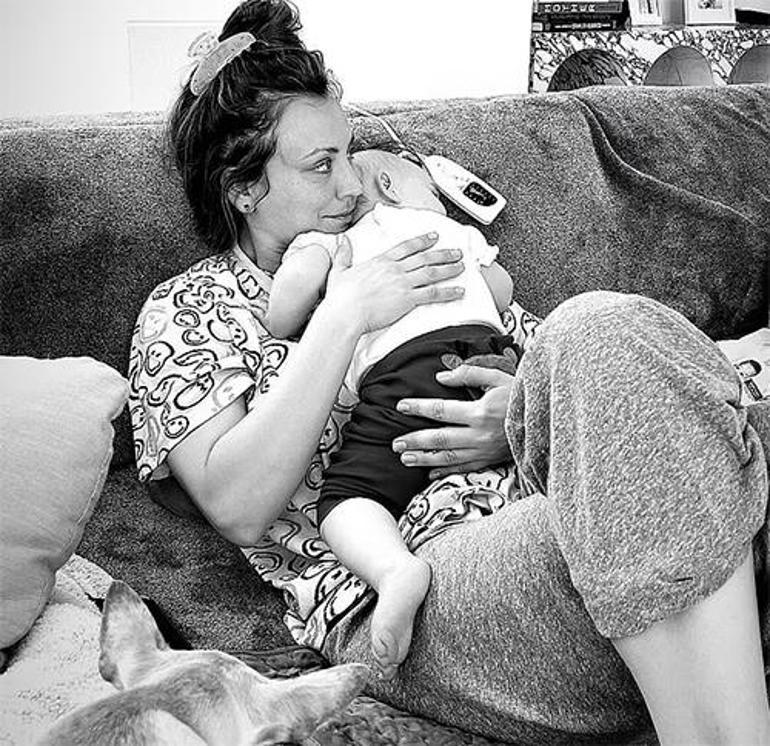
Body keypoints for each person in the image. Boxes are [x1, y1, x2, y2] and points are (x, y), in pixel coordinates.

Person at [128, 1, 770, 744]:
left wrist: (515, 418)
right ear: (242, 188)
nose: (350, 185)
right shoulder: (188, 310)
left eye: (349, 153)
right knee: (684, 464)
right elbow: (237, 504)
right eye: (320, 166)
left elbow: (587, 374)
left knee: (604, 326)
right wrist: (344, 315)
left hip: (566, 499)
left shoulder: (404, 240)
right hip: (416, 578)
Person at [265, 148, 517, 678]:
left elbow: (280, 313)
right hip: (489, 360)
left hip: (406, 375)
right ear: (392, 184)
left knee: (347, 498)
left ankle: (394, 568)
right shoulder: (451, 231)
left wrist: (320, 289)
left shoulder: (332, 242)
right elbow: (501, 291)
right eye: (431, 188)